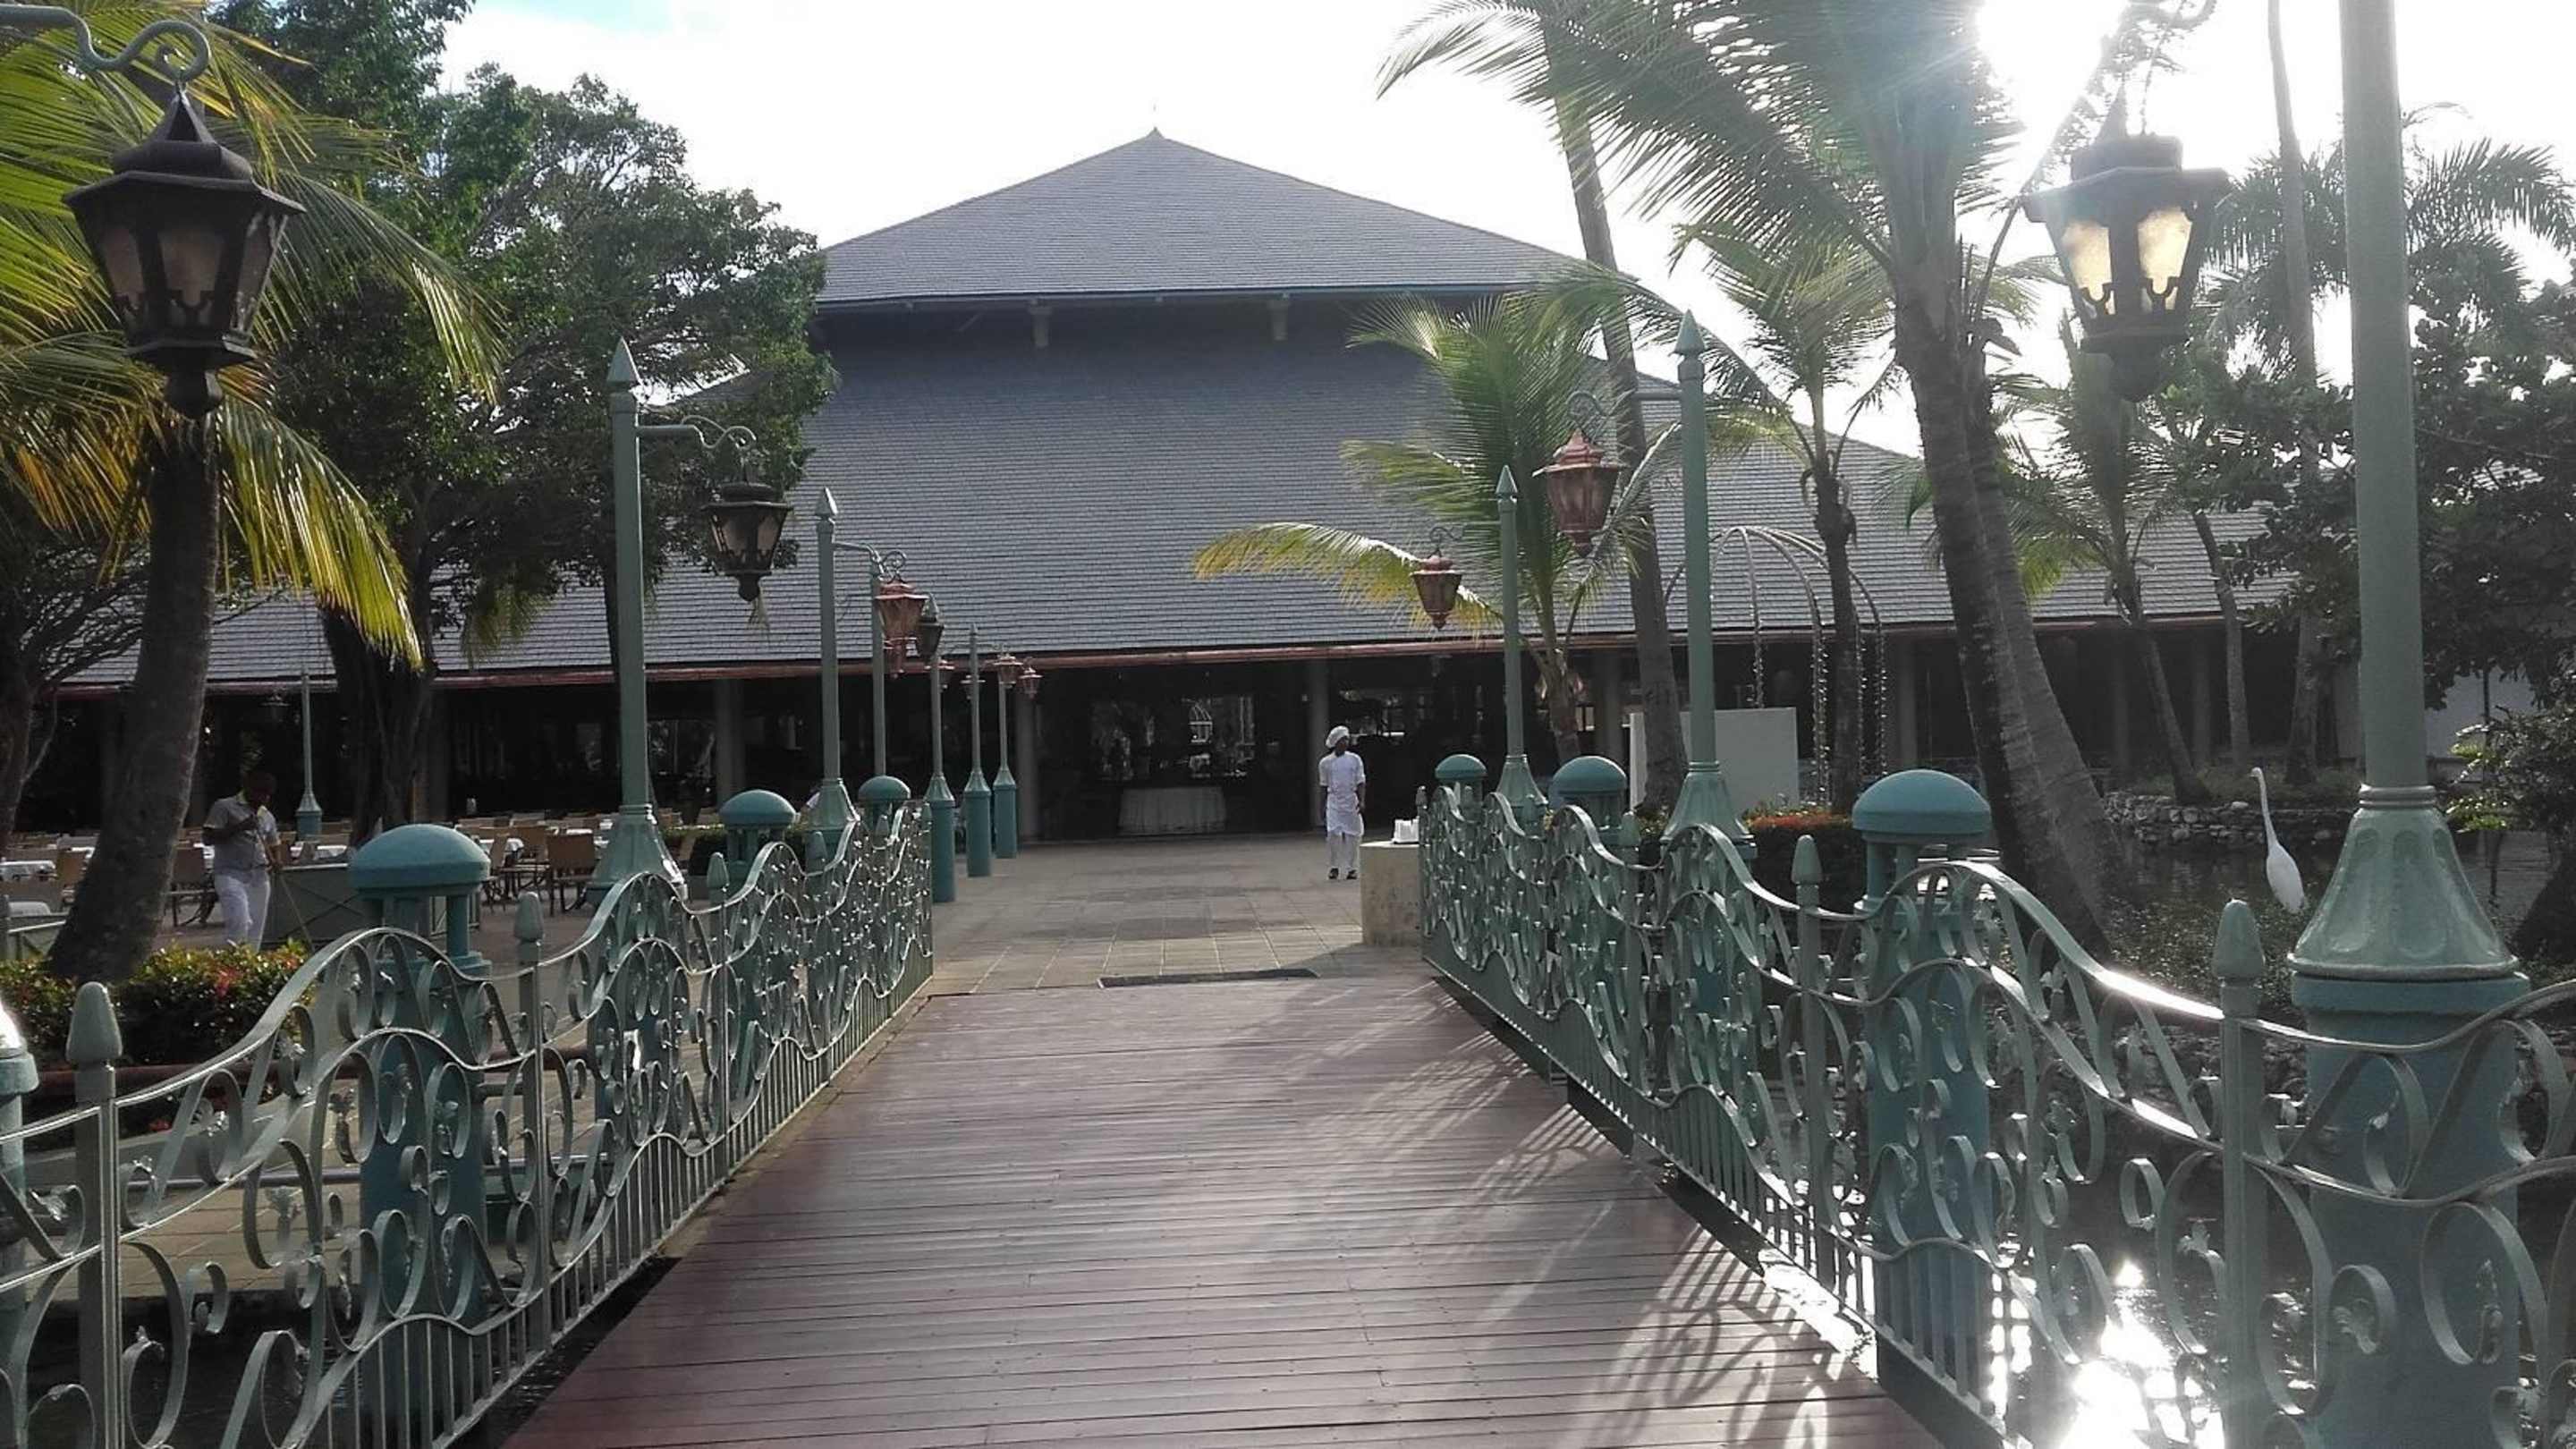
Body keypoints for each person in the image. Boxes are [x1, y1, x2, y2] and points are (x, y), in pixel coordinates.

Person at [203, 770, 284, 946]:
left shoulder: (266, 815)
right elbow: (208, 838)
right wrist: (239, 827)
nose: (263, 798)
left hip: (259, 875)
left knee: (256, 929)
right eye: (259, 793)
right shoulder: (224, 807)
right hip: (230, 873)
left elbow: (274, 842)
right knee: (240, 922)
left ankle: (252, 960)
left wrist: (277, 860)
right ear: (247, 788)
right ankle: (235, 959)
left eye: (267, 795)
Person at [1318, 725, 1366, 881]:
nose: (1346, 742)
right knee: (1333, 834)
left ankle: (1352, 868)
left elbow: (1360, 782)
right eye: (1342, 740)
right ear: (1336, 742)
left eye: (1347, 739)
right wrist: (1322, 806)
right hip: (1334, 801)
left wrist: (1362, 800)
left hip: (1351, 800)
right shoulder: (1325, 763)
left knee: (1354, 835)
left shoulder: (1355, 759)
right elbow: (1323, 786)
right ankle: (1334, 867)